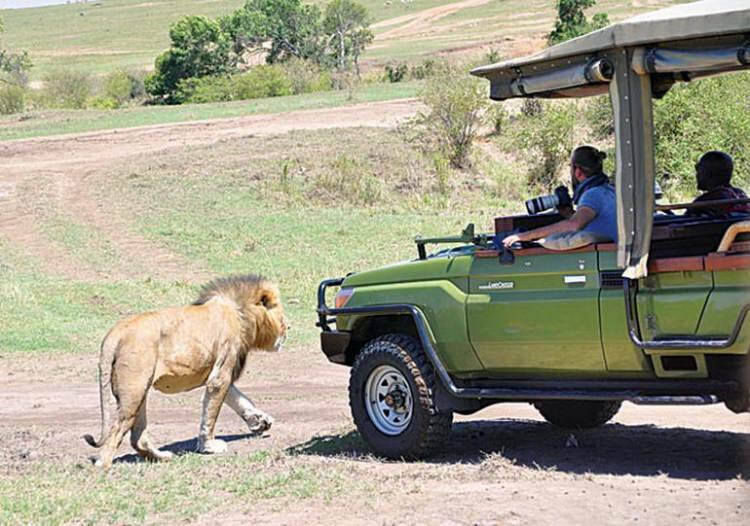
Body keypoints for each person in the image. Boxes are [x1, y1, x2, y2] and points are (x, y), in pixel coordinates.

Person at [502, 146, 617, 249]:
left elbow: (573, 225)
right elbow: (596, 223)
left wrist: (523, 236)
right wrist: (569, 214)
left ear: (578, 172)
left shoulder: (593, 194)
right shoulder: (610, 190)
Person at [686, 151, 750, 217]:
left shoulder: (705, 201)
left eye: (698, 168)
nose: (697, 174)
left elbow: (682, 224)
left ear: (707, 173)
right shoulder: (740, 195)